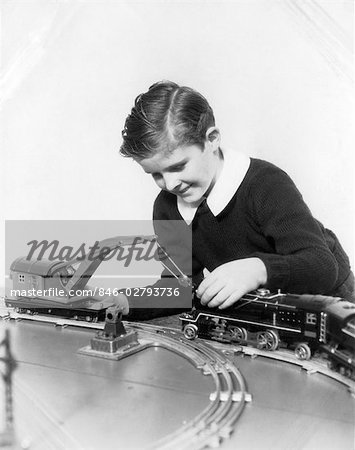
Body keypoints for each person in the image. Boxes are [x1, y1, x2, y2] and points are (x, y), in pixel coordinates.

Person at [118, 80, 354, 318]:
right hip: (265, 307)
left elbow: (322, 266)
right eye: (156, 174)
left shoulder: (266, 183)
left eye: (178, 166)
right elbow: (179, 287)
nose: (170, 184)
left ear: (212, 140)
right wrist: (123, 301)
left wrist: (257, 269)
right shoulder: (167, 207)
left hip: (329, 297)